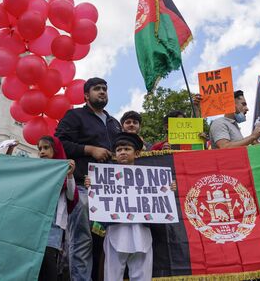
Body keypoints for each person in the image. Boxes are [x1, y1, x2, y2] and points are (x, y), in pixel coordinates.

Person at [85, 132, 176, 281]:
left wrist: (168, 188)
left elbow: (159, 199)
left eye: (127, 149)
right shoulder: (103, 176)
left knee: (142, 274)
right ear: (115, 154)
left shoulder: (150, 177)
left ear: (137, 153)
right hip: (116, 230)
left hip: (142, 230)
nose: (123, 152)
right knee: (112, 275)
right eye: (119, 150)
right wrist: (92, 186)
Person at [55, 77, 121, 281]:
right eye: (97, 89)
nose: (102, 92)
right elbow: (59, 144)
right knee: (83, 242)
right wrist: (89, 149)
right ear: (86, 95)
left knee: (112, 242)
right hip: (83, 188)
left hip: (112, 192)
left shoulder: (114, 122)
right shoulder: (75, 116)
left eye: (105, 89)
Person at [35, 135, 78, 280]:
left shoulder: (65, 172)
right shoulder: (34, 171)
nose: (42, 151)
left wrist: (70, 176)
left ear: (56, 150)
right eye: (40, 148)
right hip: (34, 224)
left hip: (53, 225)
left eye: (46, 148)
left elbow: (72, 196)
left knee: (48, 260)